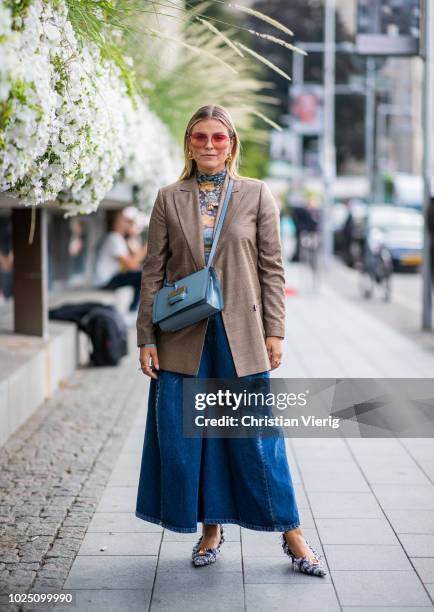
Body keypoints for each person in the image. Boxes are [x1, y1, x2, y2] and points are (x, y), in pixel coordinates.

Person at [135, 104, 326, 576]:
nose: (209, 145)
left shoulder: (257, 195)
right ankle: (210, 530)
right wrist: (146, 338)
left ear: (232, 143)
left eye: (218, 137)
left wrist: (275, 332)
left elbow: (272, 270)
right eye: (200, 137)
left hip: (242, 335)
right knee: (191, 439)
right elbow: (152, 272)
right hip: (182, 336)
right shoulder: (168, 198)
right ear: (189, 143)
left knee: (258, 438)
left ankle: (293, 534)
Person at [94, 209, 147, 315]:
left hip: (113, 277)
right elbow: (131, 264)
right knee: (143, 275)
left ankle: (133, 309)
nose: (127, 223)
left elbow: (132, 265)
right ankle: (132, 311)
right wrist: (147, 247)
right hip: (105, 281)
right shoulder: (113, 238)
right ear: (115, 222)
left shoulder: (119, 239)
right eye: (124, 220)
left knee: (143, 274)